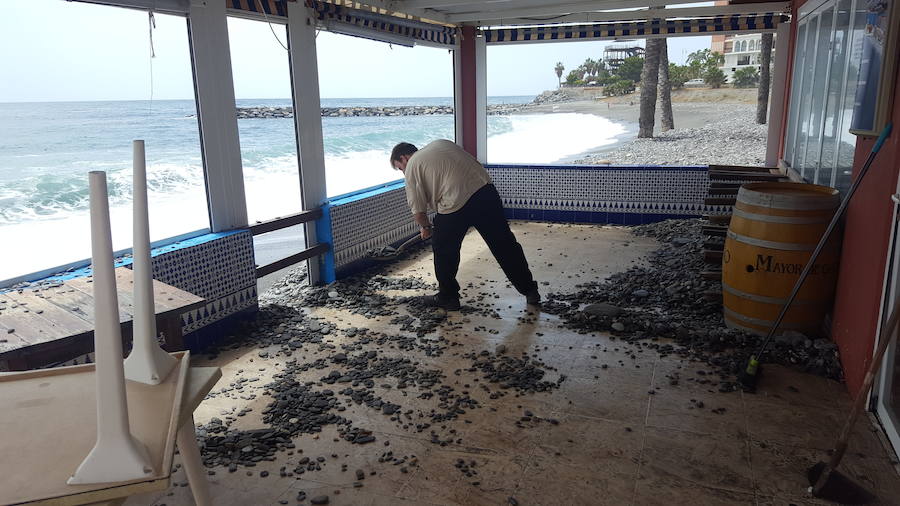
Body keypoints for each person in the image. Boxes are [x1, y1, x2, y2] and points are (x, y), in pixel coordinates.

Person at [390, 139, 540, 310]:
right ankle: (530, 290)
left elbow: (418, 211)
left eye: (400, 168)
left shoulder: (412, 166)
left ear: (404, 158)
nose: (403, 172)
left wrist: (426, 227)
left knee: (444, 250)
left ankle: (448, 297)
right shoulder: (441, 144)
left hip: (454, 204)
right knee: (504, 245)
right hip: (485, 192)